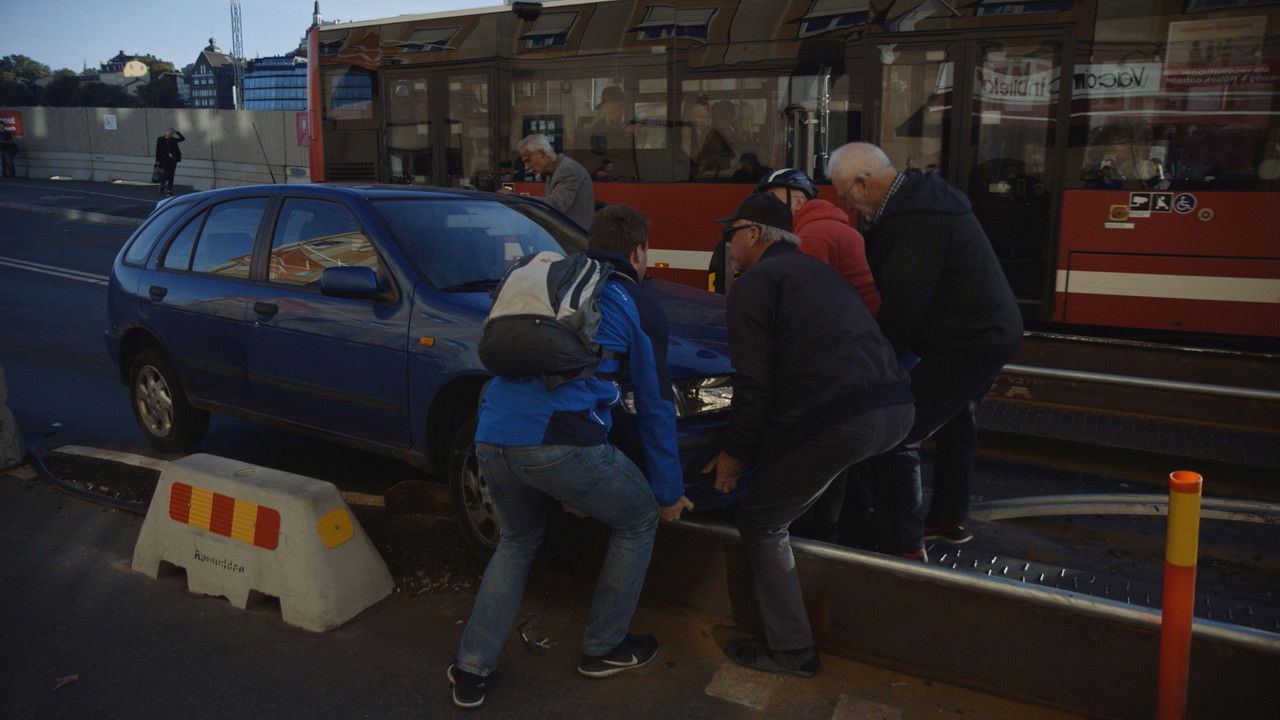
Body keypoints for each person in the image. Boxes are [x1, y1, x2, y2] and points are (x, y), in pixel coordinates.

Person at [449, 204, 694, 709]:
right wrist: (669, 491)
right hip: (559, 441)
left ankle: (471, 666)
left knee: (517, 540)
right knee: (639, 518)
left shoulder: (555, 287)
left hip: (490, 433)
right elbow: (653, 406)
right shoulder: (632, 299)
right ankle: (604, 648)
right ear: (638, 251)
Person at [703, 192, 913, 677]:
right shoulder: (818, 272)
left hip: (843, 419)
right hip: (896, 408)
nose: (727, 247)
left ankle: (791, 648)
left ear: (752, 234)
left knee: (760, 522)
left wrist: (734, 454)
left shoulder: (756, 284)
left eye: (729, 235)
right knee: (819, 472)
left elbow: (754, 385)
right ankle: (824, 533)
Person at [829, 142, 1023, 558]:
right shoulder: (923, 202)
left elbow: (903, 304)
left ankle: (904, 546)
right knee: (955, 421)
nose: (846, 205)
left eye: (846, 195)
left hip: (965, 340)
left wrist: (877, 368)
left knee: (898, 434)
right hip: (983, 332)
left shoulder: (913, 221)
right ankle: (948, 520)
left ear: (865, 183)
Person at [754, 167, 882, 543]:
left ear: (796, 201)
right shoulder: (831, 226)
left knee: (816, 430)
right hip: (862, 351)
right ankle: (846, 517)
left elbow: (800, 306)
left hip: (844, 357)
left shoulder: (810, 236)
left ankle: (820, 524)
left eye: (771, 201)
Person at [506, 133, 595, 230]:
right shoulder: (555, 171)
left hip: (573, 239)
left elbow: (556, 205)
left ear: (542, 154)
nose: (526, 167)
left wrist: (517, 198)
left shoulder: (567, 169)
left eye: (528, 160)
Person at [154, 128, 186, 197]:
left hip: (173, 160)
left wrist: (177, 132)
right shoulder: (160, 139)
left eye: (172, 133)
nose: (170, 134)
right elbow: (158, 150)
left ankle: (169, 191)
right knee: (165, 174)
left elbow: (183, 138)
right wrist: (157, 161)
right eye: (169, 132)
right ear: (166, 132)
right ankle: (162, 184)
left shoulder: (173, 139)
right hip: (164, 160)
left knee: (171, 175)